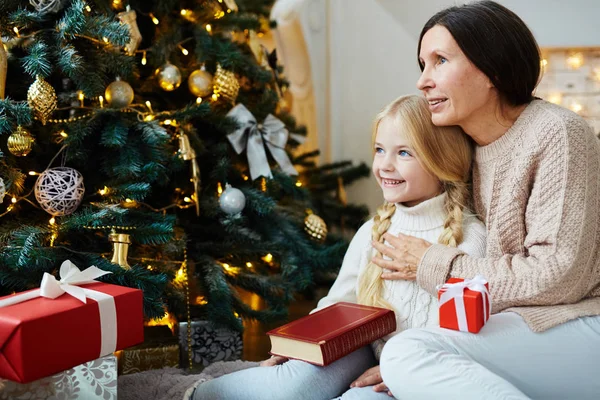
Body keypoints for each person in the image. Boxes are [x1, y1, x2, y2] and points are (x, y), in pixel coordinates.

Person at [188, 94, 486, 400]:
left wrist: (403, 370)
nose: (385, 165)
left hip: (420, 370)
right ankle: (192, 393)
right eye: (380, 150)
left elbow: (463, 338)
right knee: (291, 384)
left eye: (404, 153)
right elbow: (338, 304)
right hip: (365, 350)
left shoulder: (470, 239)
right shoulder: (373, 230)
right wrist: (301, 345)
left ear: (442, 160)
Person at [374, 2, 600, 399]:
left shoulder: (560, 133)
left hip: (580, 319)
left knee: (407, 354)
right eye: (423, 64)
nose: (423, 81)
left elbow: (558, 275)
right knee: (406, 356)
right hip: (514, 326)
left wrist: (431, 263)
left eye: (439, 60)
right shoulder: (464, 149)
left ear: (492, 68)